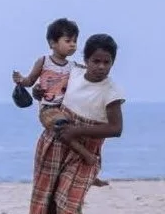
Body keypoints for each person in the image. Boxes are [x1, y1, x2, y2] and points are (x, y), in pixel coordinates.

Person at [28, 33, 125, 214]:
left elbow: (116, 128)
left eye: (107, 62)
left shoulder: (111, 92)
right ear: (86, 60)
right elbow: (49, 91)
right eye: (96, 61)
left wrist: (78, 131)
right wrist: (37, 92)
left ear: (113, 62)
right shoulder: (73, 73)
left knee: (70, 206)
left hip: (86, 154)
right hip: (56, 143)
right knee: (54, 207)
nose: (101, 67)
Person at [13, 18, 107, 187]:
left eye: (75, 41)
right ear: (52, 43)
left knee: (88, 132)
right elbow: (30, 81)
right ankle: (86, 156)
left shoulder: (74, 67)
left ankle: (90, 172)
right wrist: (22, 80)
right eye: (68, 41)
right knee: (63, 127)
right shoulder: (44, 62)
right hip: (49, 110)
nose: (73, 45)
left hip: (66, 108)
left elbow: (87, 80)